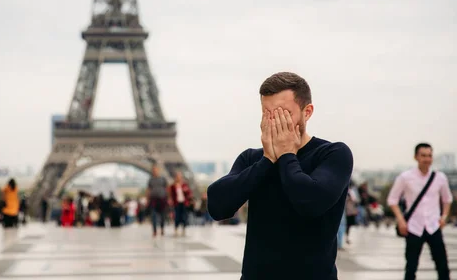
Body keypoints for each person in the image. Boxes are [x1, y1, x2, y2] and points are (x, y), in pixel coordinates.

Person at [207, 72, 353, 279]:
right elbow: (217, 206)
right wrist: (267, 160)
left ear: (307, 112)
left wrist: (286, 155)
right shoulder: (252, 159)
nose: (276, 123)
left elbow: (310, 202)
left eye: (284, 114)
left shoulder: (332, 154)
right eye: (268, 114)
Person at [387, 142, 452, 280]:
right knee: (411, 267)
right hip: (413, 226)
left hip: (434, 225)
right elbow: (392, 200)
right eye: (423, 155)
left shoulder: (440, 178)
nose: (427, 159)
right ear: (416, 157)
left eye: (429, 155)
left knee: (442, 266)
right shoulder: (405, 177)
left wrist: (444, 217)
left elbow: (447, 199)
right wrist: (401, 220)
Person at [146, 164, 168, 237]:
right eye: (153, 170)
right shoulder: (150, 179)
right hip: (153, 199)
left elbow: (167, 188)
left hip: (162, 199)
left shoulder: (163, 179)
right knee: (153, 215)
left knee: (162, 216)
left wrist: (168, 198)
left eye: (156, 170)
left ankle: (162, 228)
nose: (155, 171)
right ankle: (154, 230)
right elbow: (148, 190)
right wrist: (147, 199)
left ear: (158, 170)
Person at [169, 171, 192, 236]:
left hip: (184, 203)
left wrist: (186, 191)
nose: (179, 178)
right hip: (177, 203)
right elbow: (171, 195)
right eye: (177, 176)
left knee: (184, 216)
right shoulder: (173, 186)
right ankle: (176, 229)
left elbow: (189, 193)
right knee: (177, 216)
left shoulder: (184, 185)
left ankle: (184, 229)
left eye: (180, 176)